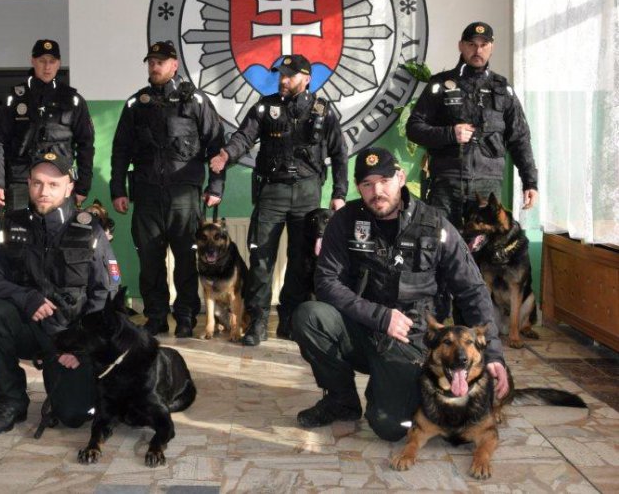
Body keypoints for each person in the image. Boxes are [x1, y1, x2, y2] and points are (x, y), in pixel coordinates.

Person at [291, 147, 508, 441]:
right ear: (358, 187)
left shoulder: (435, 225)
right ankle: (341, 401)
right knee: (309, 316)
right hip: (361, 328)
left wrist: (492, 352)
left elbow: (472, 290)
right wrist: (380, 316)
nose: (377, 191)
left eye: (384, 181)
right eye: (367, 184)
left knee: (390, 427)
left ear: (401, 178)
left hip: (411, 339)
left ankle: (388, 385)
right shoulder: (345, 221)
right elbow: (326, 282)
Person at [0, 152, 120, 434]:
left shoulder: (89, 230)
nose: (44, 191)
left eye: (54, 184)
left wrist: (83, 347)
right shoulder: (9, 226)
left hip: (71, 335)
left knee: (74, 415)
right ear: (29, 184)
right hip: (27, 326)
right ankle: (10, 402)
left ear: (69, 187)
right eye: (38, 183)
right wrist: (25, 298)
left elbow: (106, 294)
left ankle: (64, 389)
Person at [209, 54, 348, 345]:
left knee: (301, 261)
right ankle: (258, 322)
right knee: (261, 259)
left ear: (306, 78)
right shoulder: (265, 107)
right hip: (272, 192)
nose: (283, 80)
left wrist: (339, 194)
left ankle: (290, 320)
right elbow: (243, 137)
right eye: (281, 74)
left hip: (308, 193)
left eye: (289, 75)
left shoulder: (323, 111)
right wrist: (226, 154)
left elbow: (339, 154)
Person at [110, 40, 225, 338]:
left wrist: (216, 186)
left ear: (174, 65)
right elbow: (121, 150)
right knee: (150, 261)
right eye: (151, 62)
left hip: (184, 196)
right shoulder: (137, 104)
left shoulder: (195, 101)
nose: (154, 66)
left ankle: (185, 317)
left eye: (160, 62)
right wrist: (117, 189)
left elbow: (215, 144)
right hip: (147, 195)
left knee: (186, 260)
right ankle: (156, 317)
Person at [406, 22, 538, 228]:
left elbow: (520, 137)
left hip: (487, 187)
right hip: (446, 183)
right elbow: (414, 128)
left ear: (492, 47)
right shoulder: (440, 85)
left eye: (484, 45)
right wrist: (450, 134)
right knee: (441, 241)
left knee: (484, 244)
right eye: (472, 44)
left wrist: (530, 182)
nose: (478, 50)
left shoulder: (502, 89)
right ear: (461, 46)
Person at [0, 39, 95, 211]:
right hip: (21, 181)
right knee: (19, 228)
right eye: (42, 61)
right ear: (33, 61)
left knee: (60, 227)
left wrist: (83, 185)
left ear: (59, 63)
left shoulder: (73, 100)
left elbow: (86, 145)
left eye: (52, 61)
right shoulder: (15, 99)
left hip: (59, 180)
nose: (47, 67)